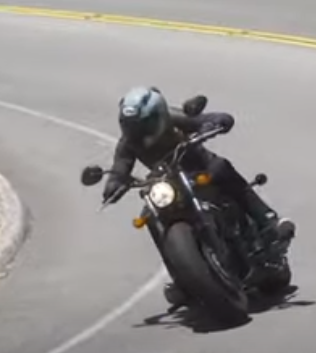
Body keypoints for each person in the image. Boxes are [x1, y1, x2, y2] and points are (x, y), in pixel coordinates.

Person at [101, 85, 295, 243]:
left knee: (221, 167)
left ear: (159, 114)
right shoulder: (128, 143)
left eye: (143, 123)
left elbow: (206, 119)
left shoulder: (174, 118)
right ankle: (180, 271)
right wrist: (113, 185)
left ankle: (268, 220)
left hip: (200, 166)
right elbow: (120, 166)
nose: (137, 130)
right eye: (130, 125)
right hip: (167, 179)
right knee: (150, 212)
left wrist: (213, 124)